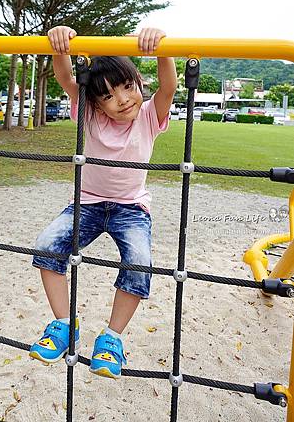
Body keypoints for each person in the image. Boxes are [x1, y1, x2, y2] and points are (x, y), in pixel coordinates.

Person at [29, 26, 177, 379]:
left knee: (139, 262)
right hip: (88, 203)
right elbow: (65, 77)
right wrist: (60, 43)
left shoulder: (148, 116)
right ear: (95, 104)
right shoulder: (89, 114)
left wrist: (162, 48)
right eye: (109, 96)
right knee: (47, 245)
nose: (123, 99)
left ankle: (111, 338)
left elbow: (169, 87)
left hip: (131, 208)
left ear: (138, 81)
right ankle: (65, 324)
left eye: (127, 87)